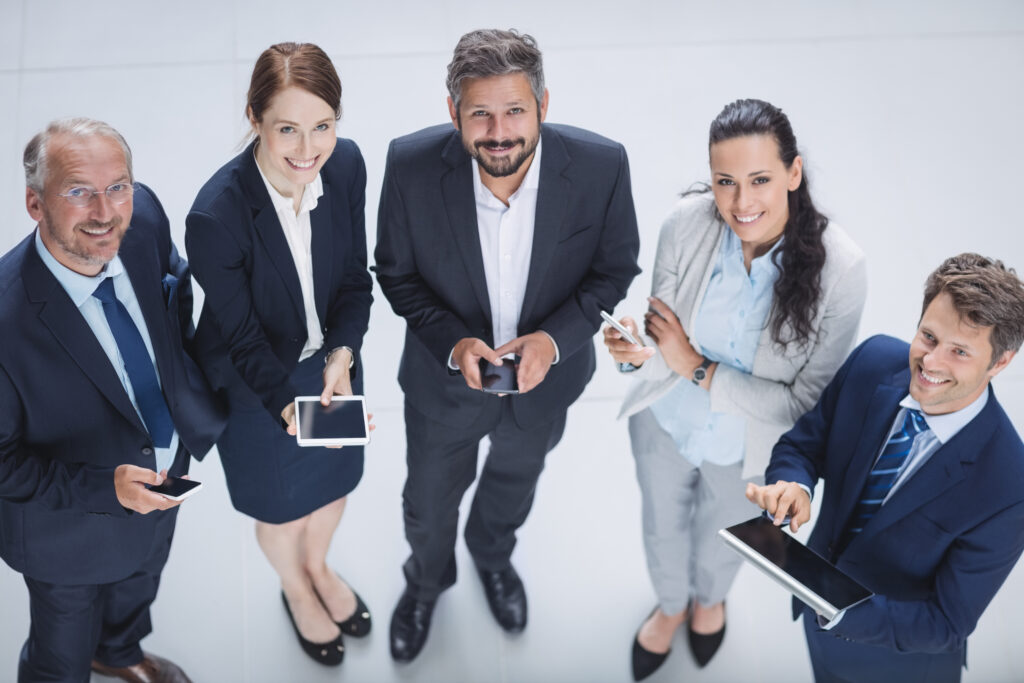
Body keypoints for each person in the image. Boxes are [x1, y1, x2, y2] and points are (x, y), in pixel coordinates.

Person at [374, 28, 641, 662]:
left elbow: (614, 270)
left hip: (545, 384)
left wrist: (554, 339)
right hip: (443, 385)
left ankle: (492, 557)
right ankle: (427, 584)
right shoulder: (409, 167)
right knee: (427, 503)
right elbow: (396, 273)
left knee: (516, 481)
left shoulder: (602, 166)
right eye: (481, 114)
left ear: (544, 106)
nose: (499, 132)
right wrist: (452, 342)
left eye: (515, 111)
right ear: (453, 114)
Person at [604, 99, 867, 679]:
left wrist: (697, 367)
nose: (741, 203)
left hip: (750, 451)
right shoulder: (685, 225)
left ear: (793, 174)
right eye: (725, 182)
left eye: (760, 180)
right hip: (665, 423)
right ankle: (671, 605)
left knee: (727, 538)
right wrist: (632, 354)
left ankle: (709, 599)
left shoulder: (842, 271)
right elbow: (659, 340)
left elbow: (803, 407)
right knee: (661, 525)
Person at [0, 118, 225, 683]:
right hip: (67, 534)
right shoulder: (5, 321)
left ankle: (120, 651)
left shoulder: (141, 218)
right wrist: (107, 490)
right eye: (78, 191)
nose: (105, 212)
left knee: (141, 582)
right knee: (60, 656)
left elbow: (172, 287)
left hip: (166, 475)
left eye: (117, 186)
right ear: (34, 203)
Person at [746, 253, 1024, 683]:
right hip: (818, 623)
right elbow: (802, 446)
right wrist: (794, 485)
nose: (931, 363)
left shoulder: (1009, 484)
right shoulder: (872, 361)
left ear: (1000, 362)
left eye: (960, 352)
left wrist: (838, 608)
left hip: (897, 662)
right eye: (928, 337)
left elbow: (946, 623)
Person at [185, 42, 373, 667]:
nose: (306, 150)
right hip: (255, 382)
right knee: (281, 505)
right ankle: (296, 587)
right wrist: (289, 408)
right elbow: (241, 339)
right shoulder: (216, 216)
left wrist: (342, 354)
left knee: (336, 484)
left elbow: (353, 280)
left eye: (322, 126)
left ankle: (319, 567)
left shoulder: (345, 167)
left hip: (332, 364)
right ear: (255, 118)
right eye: (287, 129)